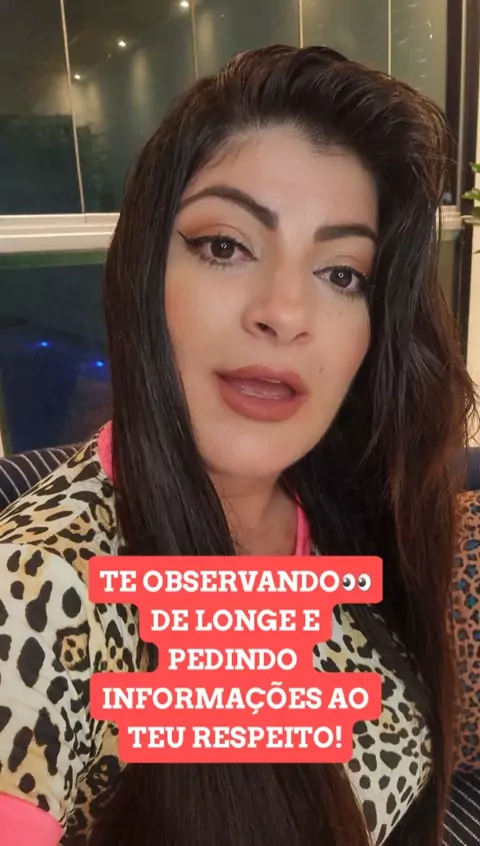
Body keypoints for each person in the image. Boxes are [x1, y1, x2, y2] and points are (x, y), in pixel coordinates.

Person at [0, 43, 477, 846]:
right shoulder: (38, 588)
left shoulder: (354, 503)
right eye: (225, 245)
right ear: (144, 273)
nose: (284, 312)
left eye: (342, 273)